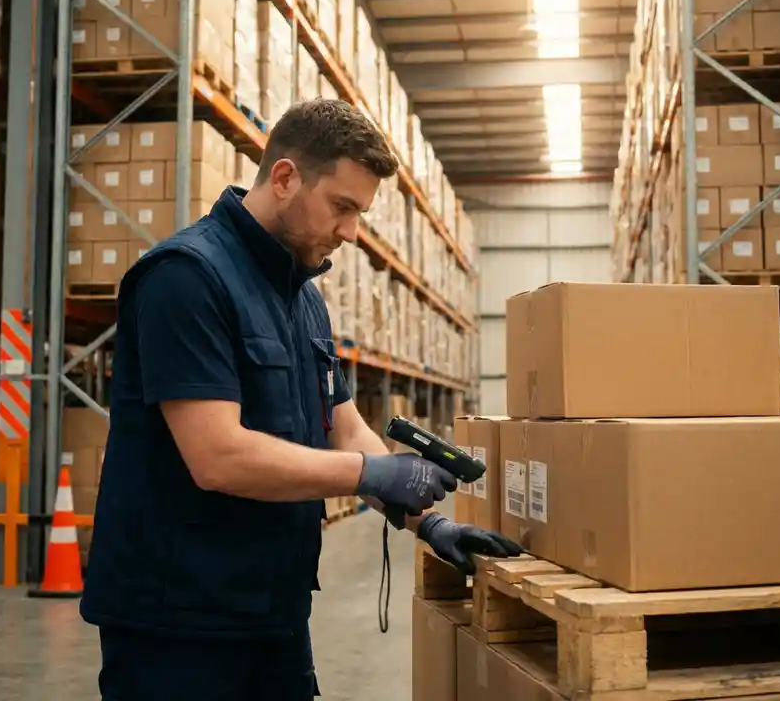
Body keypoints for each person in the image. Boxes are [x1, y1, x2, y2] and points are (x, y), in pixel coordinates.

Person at [79, 99, 523, 700]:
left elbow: (346, 429)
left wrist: (430, 522)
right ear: (285, 178)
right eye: (342, 207)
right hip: (177, 625)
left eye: (359, 213)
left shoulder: (303, 297)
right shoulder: (186, 278)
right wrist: (372, 472)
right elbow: (217, 456)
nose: (350, 232)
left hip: (273, 612)